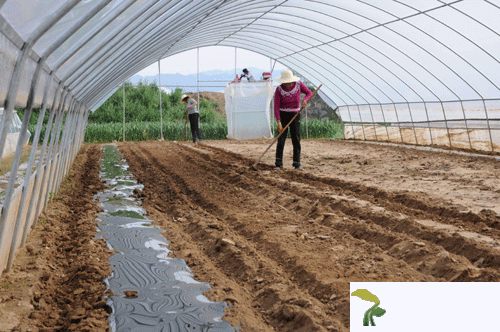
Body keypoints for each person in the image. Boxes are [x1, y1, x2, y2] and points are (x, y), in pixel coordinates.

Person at [273, 69, 312, 170]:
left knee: (296, 139)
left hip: (295, 114)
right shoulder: (279, 89)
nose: (288, 85)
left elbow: (309, 93)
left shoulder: (299, 85)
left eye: (289, 82)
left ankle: (297, 163)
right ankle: (278, 163)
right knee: (281, 139)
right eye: (286, 83)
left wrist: (305, 100)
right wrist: (278, 122)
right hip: (283, 115)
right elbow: (276, 106)